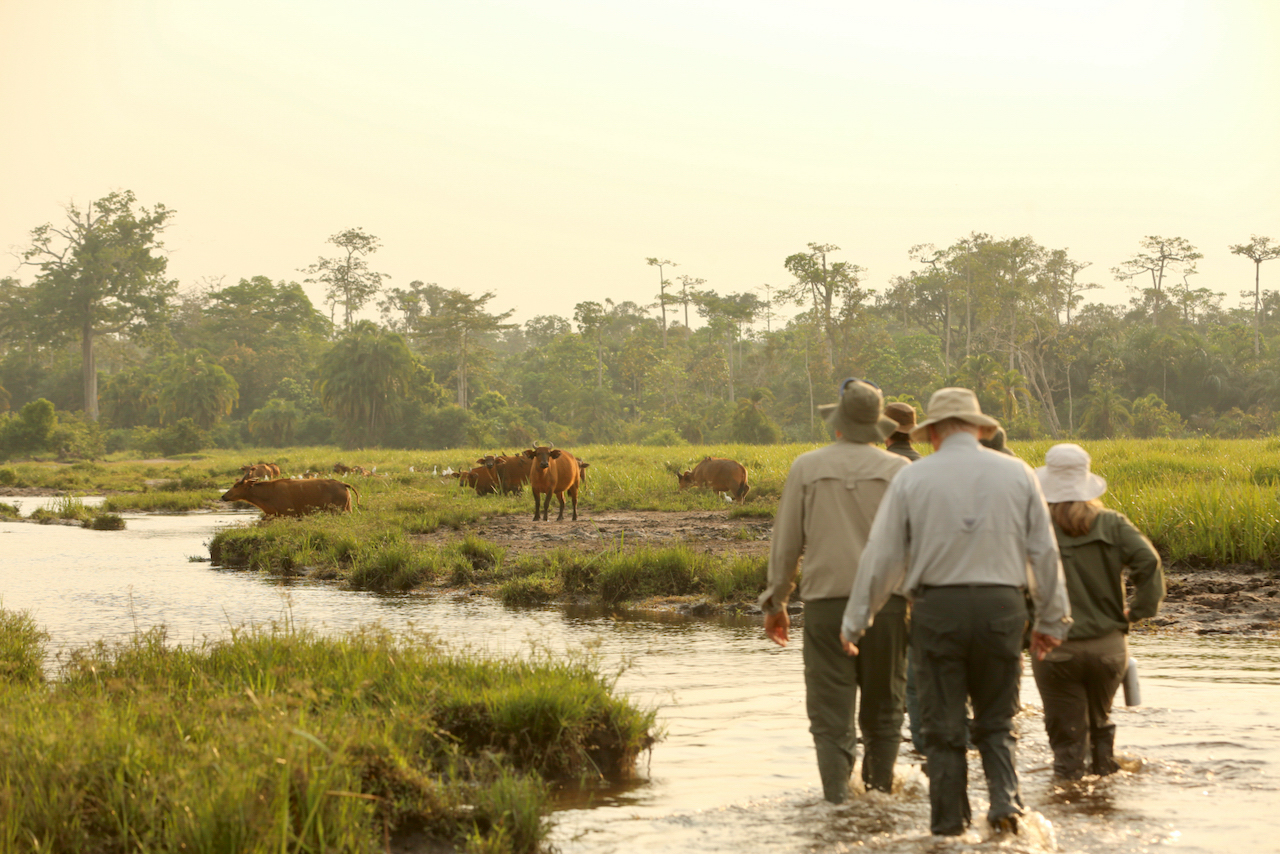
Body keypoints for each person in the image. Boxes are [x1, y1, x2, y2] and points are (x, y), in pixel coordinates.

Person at [838, 387, 1072, 836]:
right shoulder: (1019, 473)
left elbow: (882, 557)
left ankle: (947, 829)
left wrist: (856, 621)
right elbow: (1044, 553)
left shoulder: (913, 477)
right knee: (997, 719)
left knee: (944, 729)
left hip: (936, 610)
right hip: (1002, 608)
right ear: (980, 429)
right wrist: (1049, 620)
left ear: (932, 436)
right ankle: (1005, 801)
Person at [759, 378, 910, 802]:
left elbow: (787, 543)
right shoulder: (900, 470)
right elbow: (917, 545)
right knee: (885, 710)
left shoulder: (807, 467)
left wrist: (777, 601)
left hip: (826, 606)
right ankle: (880, 803)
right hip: (890, 607)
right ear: (879, 427)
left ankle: (838, 806)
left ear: (838, 423)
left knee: (830, 716)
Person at [1032, 443, 1164, 780]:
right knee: (1100, 723)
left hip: (1056, 646)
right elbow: (1148, 562)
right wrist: (1136, 612)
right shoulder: (1112, 523)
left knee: (1066, 739)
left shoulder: (1035, 526)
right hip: (1108, 647)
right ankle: (1103, 797)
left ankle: (1070, 807)